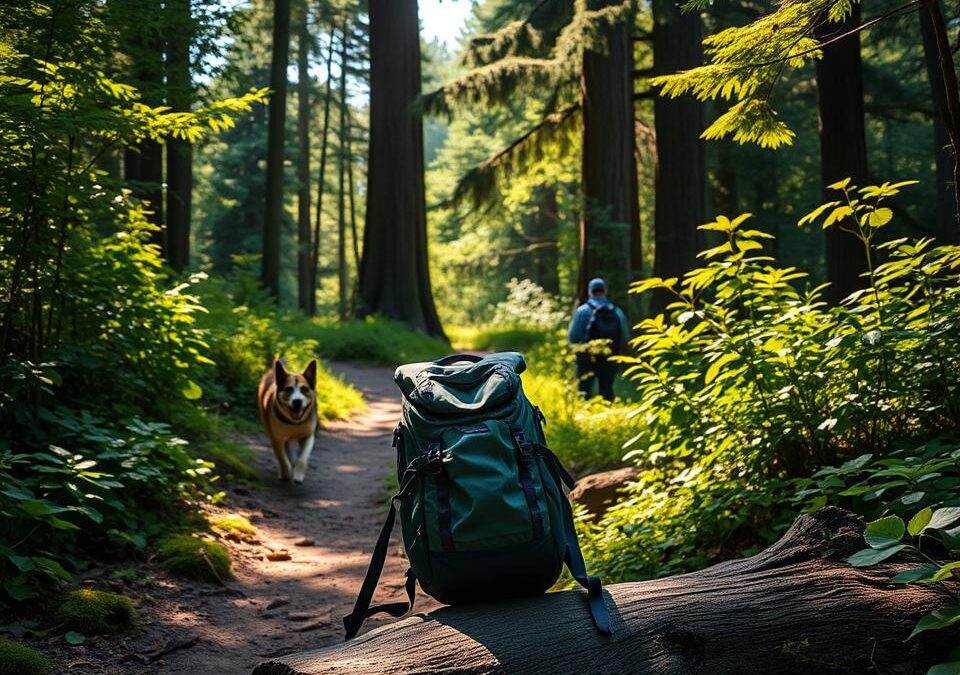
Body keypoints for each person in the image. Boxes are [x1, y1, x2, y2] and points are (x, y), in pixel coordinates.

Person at [567, 278, 630, 401]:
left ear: (590, 291)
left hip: (586, 357)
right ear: (605, 291)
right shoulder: (617, 312)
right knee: (607, 389)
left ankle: (583, 414)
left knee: (584, 389)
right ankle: (608, 414)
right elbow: (625, 338)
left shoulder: (582, 311)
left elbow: (573, 337)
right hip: (609, 356)